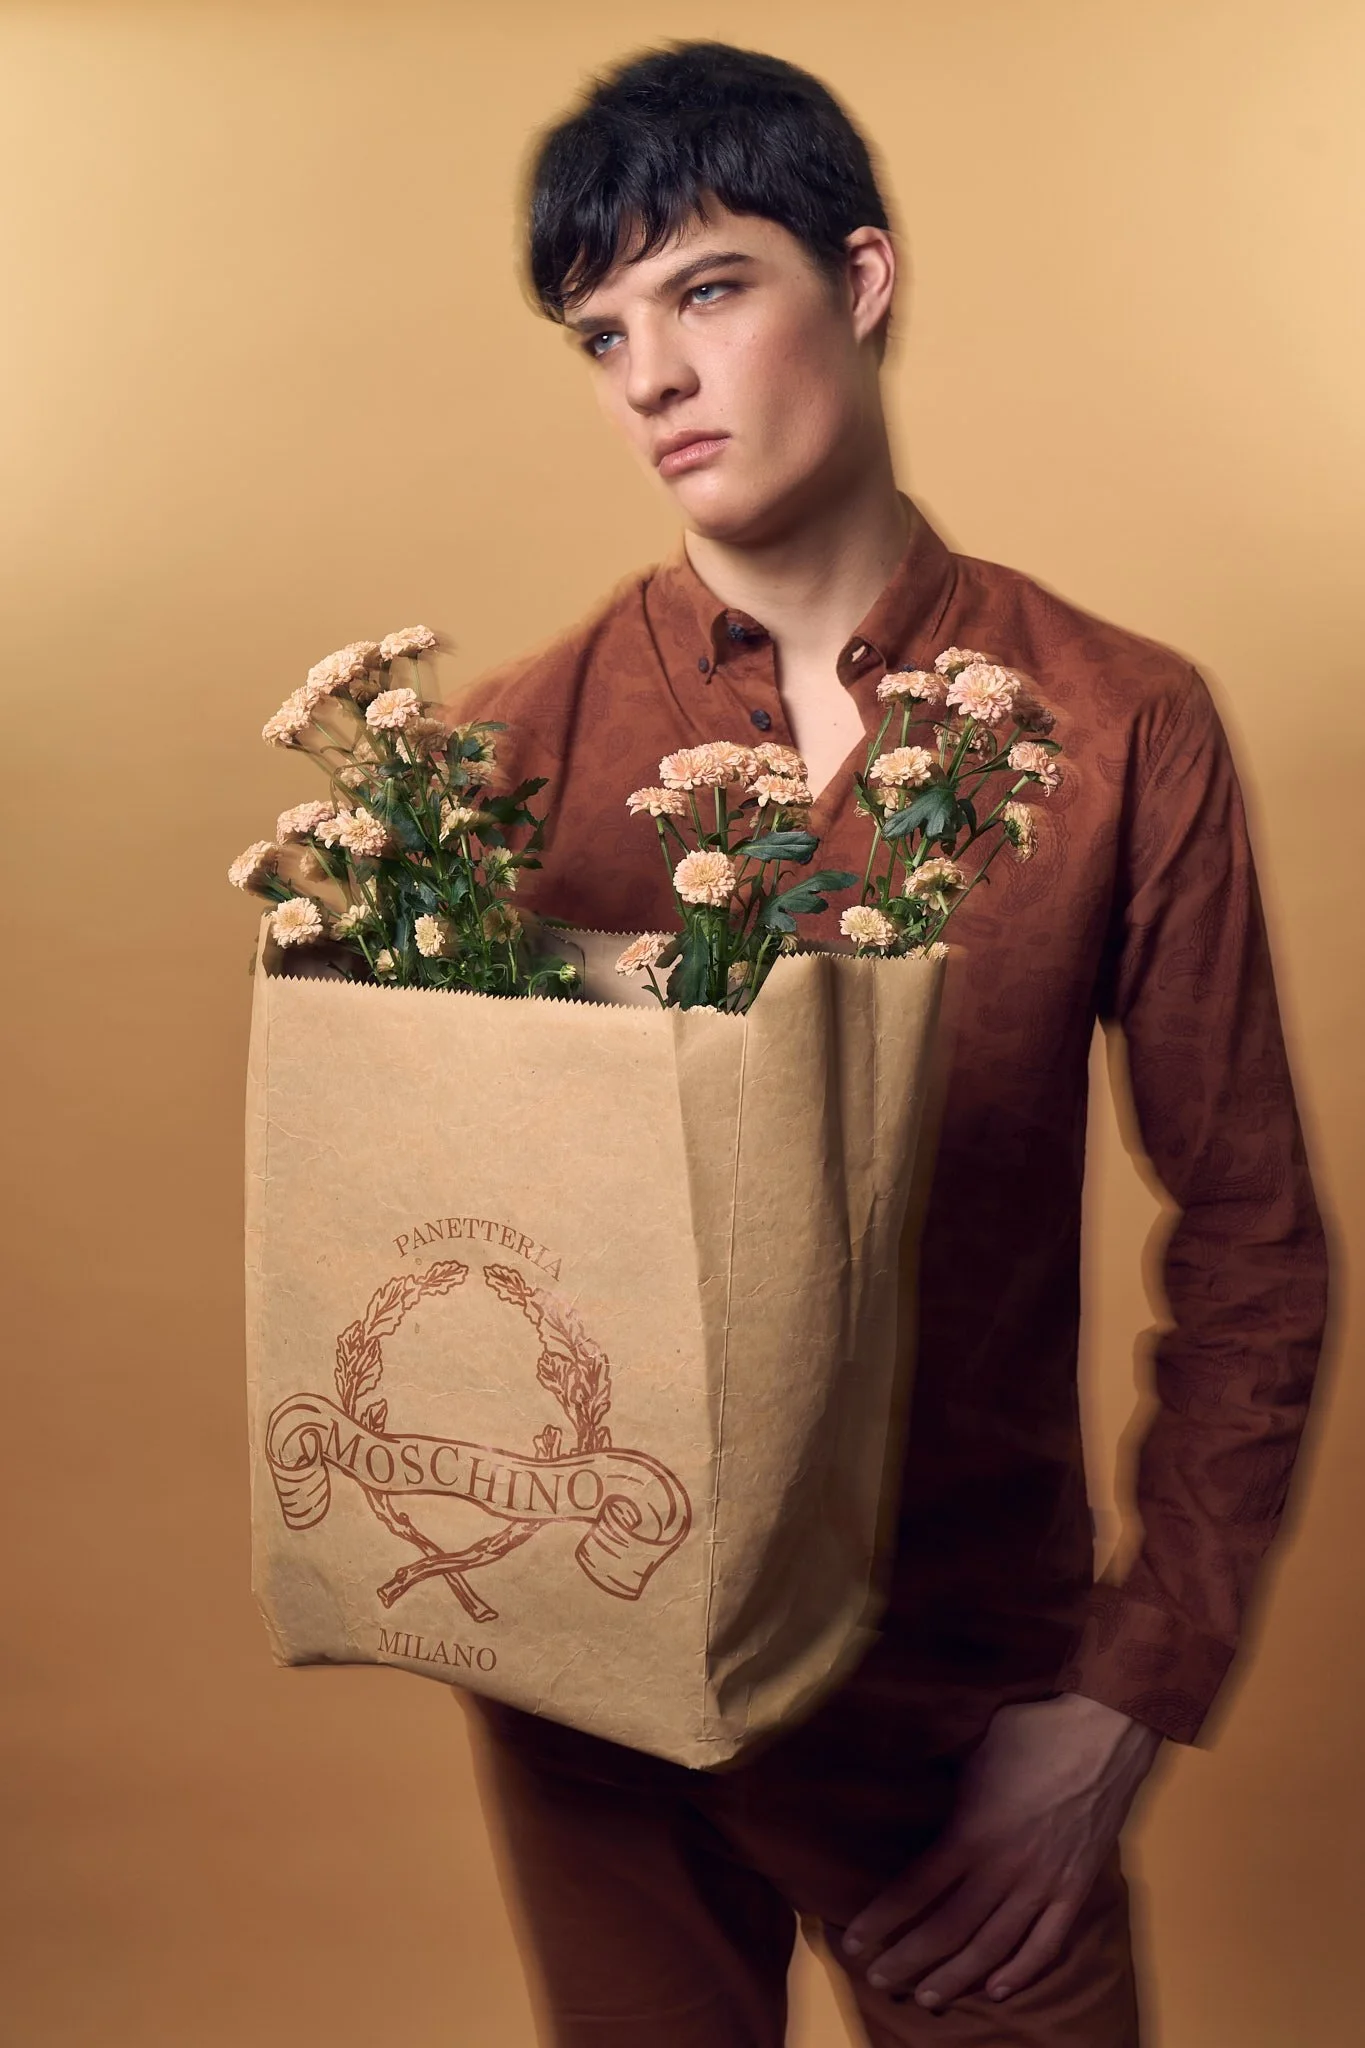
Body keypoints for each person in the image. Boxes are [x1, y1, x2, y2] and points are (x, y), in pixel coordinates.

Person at [451, 41, 1329, 2047]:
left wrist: (1118, 1702)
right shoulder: (506, 758)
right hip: (598, 1699)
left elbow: (1254, 1234)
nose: (652, 377)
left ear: (858, 280)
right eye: (602, 334)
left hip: (962, 1688)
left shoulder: (1118, 722)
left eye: (706, 290)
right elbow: (425, 1242)